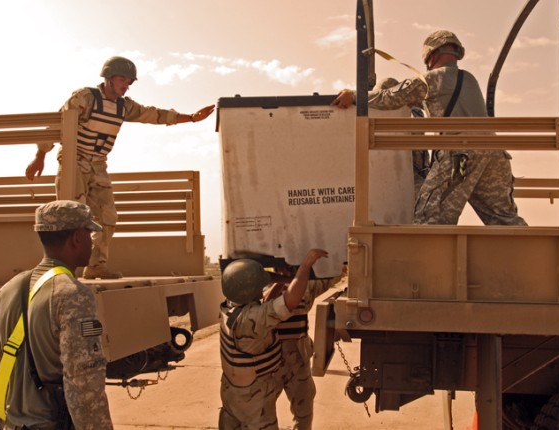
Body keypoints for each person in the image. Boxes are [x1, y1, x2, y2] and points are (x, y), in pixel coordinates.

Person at [25, 56, 216, 279]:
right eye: (122, 79)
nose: (126, 85)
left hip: (98, 164)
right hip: (73, 161)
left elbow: (154, 115)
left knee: (108, 216)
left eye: (129, 82)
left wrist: (191, 118)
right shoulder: (85, 98)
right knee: (72, 214)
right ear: (108, 78)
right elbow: (59, 122)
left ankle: (96, 265)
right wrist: (40, 155)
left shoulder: (124, 107)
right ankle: (65, 269)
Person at [332, 30, 527, 226]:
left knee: (429, 217)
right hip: (495, 154)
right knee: (504, 220)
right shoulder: (469, 78)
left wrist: (354, 96)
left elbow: (389, 97)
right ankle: (538, 255)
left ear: (431, 55)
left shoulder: (433, 78)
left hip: (461, 155)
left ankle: (431, 257)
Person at [0, 200, 112, 429]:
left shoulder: (5, 291)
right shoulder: (74, 295)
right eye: (89, 234)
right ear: (76, 238)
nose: (92, 243)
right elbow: (84, 387)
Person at [218, 249, 328, 430]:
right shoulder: (250, 320)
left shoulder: (229, 307)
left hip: (232, 391)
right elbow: (289, 302)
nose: (262, 291)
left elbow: (261, 301)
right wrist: (305, 265)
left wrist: (282, 280)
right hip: (253, 397)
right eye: (258, 288)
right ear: (250, 291)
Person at [269, 268, 337, 430]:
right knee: (264, 414)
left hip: (297, 361)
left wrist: (337, 265)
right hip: (271, 363)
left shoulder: (304, 287)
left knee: (304, 412)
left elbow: (328, 277)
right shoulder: (264, 290)